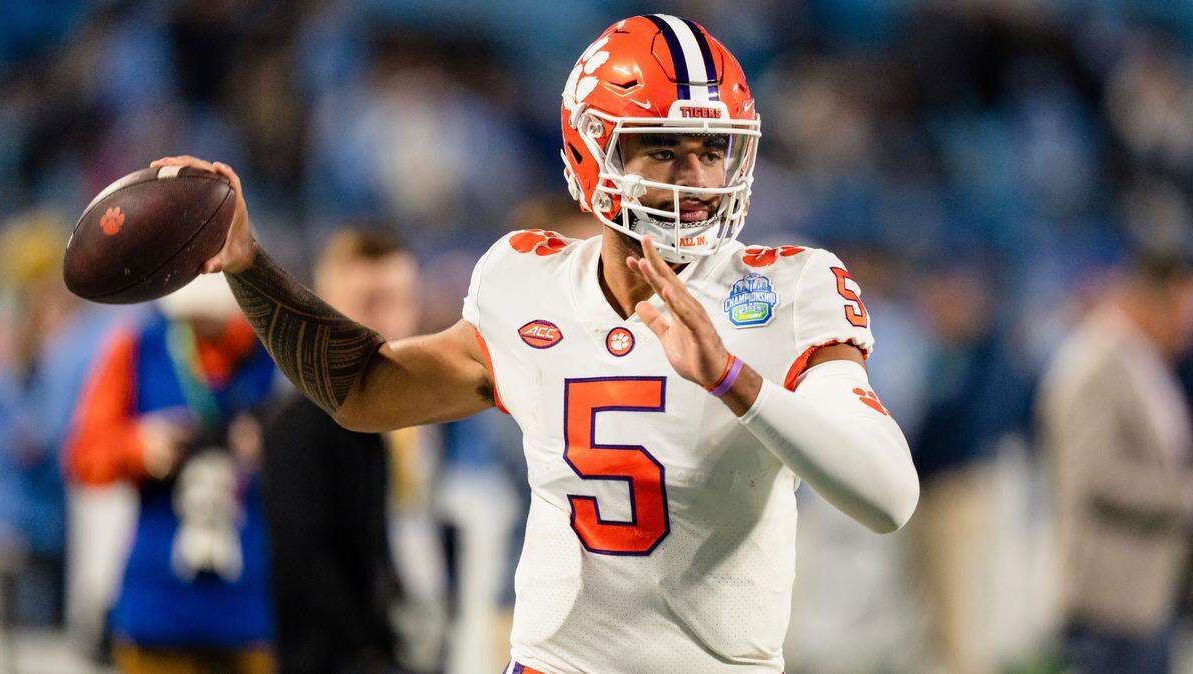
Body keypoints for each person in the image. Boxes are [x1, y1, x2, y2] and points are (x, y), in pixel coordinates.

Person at [151, 13, 920, 673]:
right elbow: (361, 392)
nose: (699, 177)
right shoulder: (526, 281)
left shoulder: (785, 290)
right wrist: (251, 270)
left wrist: (733, 381)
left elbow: (888, 496)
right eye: (664, 148)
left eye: (713, 149)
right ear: (596, 156)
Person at [65, 273, 278, 674]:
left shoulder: (272, 350)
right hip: (158, 603)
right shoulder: (138, 347)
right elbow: (83, 456)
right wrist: (140, 447)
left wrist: (271, 448)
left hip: (250, 603)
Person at [260, 228, 413, 674]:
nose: (392, 320)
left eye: (402, 300)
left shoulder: (424, 414)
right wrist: (366, 644)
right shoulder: (304, 416)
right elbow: (303, 556)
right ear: (324, 304)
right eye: (370, 302)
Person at [1038, 250, 1193, 674]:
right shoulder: (1096, 363)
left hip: (1147, 592)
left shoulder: (1143, 361)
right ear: (1148, 299)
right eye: (1182, 312)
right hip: (1109, 596)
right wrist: (1183, 495)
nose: (1186, 328)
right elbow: (1095, 476)